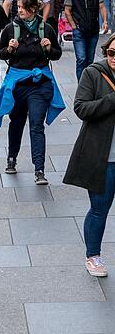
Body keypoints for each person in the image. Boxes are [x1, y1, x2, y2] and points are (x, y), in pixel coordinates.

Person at [0, 0, 64, 185]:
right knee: (16, 122)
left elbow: (57, 55)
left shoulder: (46, 29)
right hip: (18, 84)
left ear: (33, 9)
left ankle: (39, 169)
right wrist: (9, 49)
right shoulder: (11, 29)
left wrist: (50, 48)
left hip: (39, 85)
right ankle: (12, 157)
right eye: (18, 8)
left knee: (36, 125)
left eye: (23, 8)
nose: (19, 11)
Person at [63, 35, 115, 277]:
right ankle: (92, 256)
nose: (114, 58)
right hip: (104, 158)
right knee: (99, 209)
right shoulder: (94, 73)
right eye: (111, 53)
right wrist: (112, 100)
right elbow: (81, 108)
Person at [64, 0, 108, 80]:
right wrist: (74, 26)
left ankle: (88, 85)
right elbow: (67, 10)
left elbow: (102, 6)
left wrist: (105, 21)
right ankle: (81, 86)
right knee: (81, 59)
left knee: (89, 60)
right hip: (79, 30)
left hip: (93, 30)